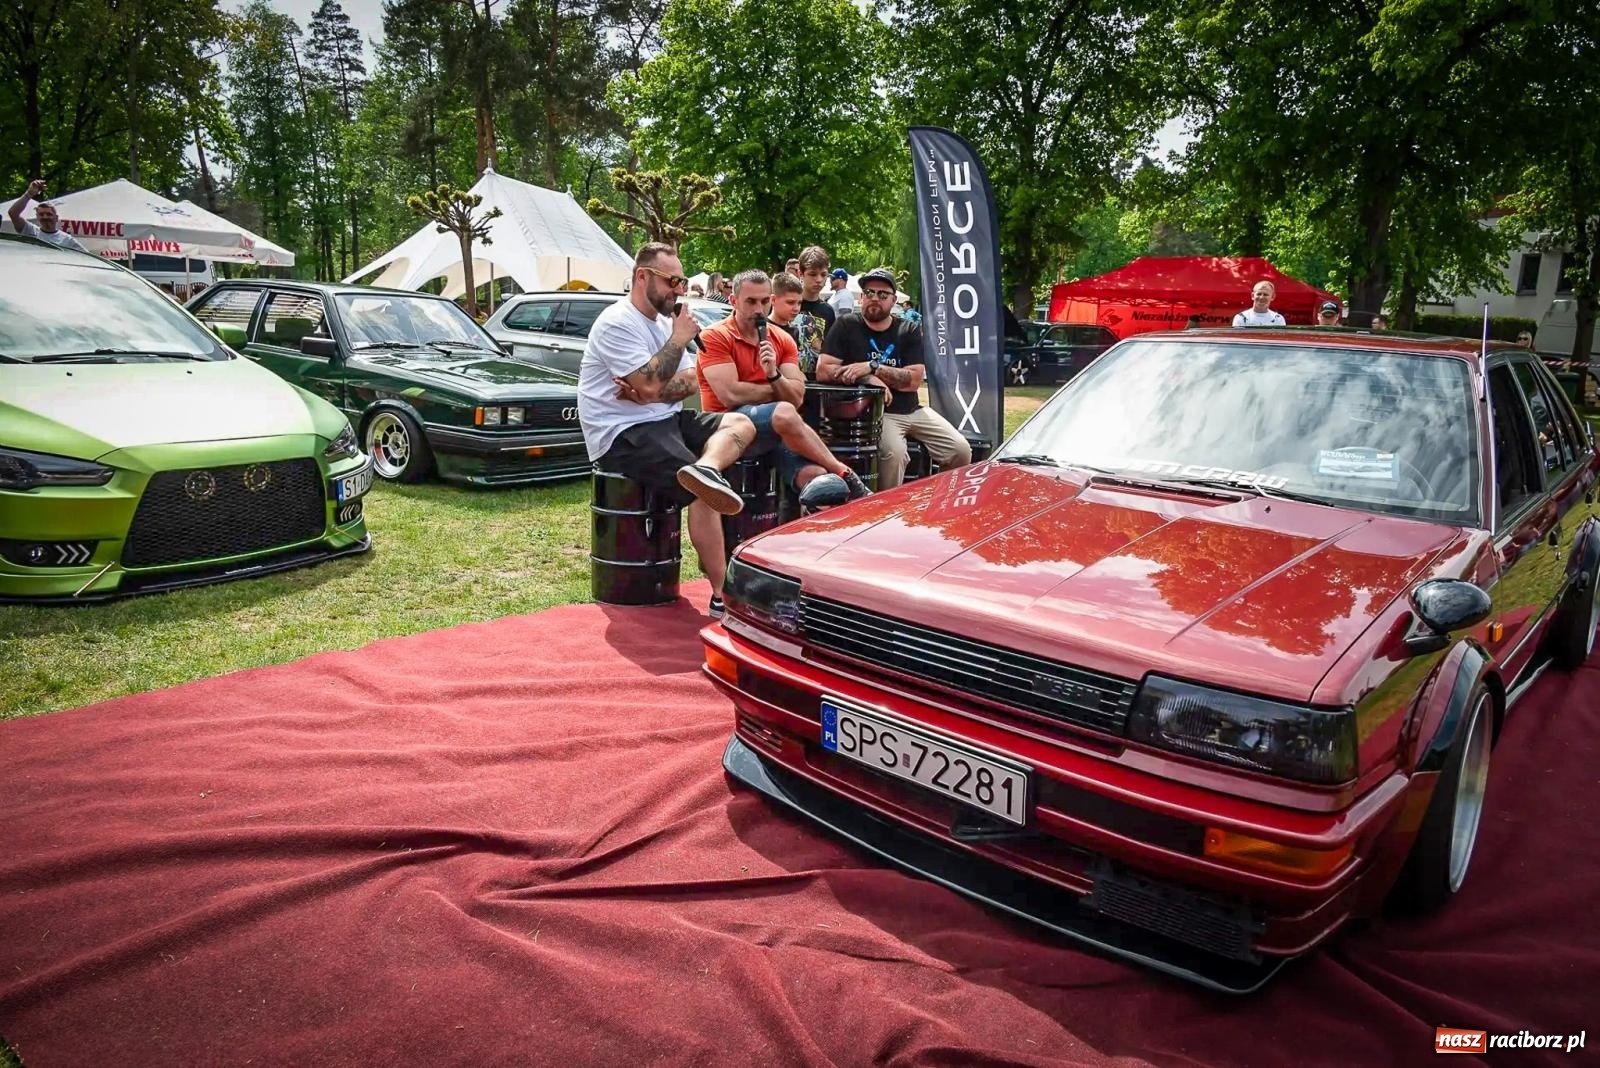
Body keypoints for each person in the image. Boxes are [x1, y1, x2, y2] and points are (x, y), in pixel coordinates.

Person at [578, 243, 755, 618]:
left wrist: (651, 388)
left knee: (741, 422)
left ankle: (705, 468)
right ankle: (723, 595)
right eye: (672, 280)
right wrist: (672, 348)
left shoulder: (663, 322)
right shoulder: (617, 322)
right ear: (642, 277)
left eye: (682, 280)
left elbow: (691, 381)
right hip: (623, 432)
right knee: (705, 496)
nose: (679, 289)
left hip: (662, 419)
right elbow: (648, 385)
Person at [696, 269, 870, 505]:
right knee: (784, 412)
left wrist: (773, 376)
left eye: (765, 301)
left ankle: (809, 532)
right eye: (751, 301)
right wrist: (778, 393)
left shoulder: (782, 339)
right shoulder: (714, 336)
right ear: (733, 301)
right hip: (728, 429)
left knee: (820, 481)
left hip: (775, 433)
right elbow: (730, 395)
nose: (759, 309)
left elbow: (797, 396)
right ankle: (845, 472)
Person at [818, 267, 971, 489]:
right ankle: (885, 513)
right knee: (895, 454)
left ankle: (936, 500)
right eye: (869, 292)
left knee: (960, 450)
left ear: (893, 301)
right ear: (861, 297)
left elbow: (913, 381)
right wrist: (866, 379)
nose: (874, 299)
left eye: (882, 295)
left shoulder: (908, 330)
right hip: (878, 414)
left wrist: (872, 368)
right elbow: (824, 370)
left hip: (913, 410)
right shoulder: (846, 325)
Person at [769, 271, 827, 379]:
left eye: (799, 303)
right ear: (773, 300)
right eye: (790, 302)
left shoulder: (795, 331)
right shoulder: (762, 329)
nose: (796, 308)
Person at [8, 179, 87, 252]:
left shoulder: (67, 240)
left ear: (56, 218)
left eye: (49, 214)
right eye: (41, 214)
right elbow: (13, 213)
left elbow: (87, 257)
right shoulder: (30, 230)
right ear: (37, 217)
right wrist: (29, 194)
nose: (45, 217)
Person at [796, 246, 838, 331]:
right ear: (801, 274)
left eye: (823, 274)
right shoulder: (789, 304)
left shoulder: (828, 311)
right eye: (812, 274)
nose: (819, 280)